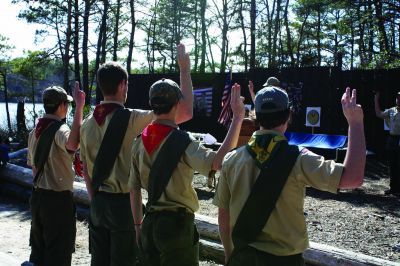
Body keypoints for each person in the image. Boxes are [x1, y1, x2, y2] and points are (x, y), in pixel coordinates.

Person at [213, 86, 365, 265]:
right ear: (288, 115)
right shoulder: (300, 159)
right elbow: (353, 178)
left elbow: (223, 215)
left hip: (242, 257)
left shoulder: (231, 159)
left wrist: (230, 254)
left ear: (256, 116)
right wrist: (355, 123)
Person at [80, 44, 193, 266]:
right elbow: (185, 111)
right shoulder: (132, 120)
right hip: (123, 206)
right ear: (123, 85)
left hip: (98, 203)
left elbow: (85, 171)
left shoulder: (86, 125)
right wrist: (184, 70)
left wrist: (96, 201)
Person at [129, 80, 244, 266]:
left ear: (152, 104)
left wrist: (137, 226)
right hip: (177, 227)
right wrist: (238, 118)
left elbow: (134, 190)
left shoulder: (138, 142)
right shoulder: (183, 142)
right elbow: (218, 162)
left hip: (149, 221)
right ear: (177, 104)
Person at [26, 83, 85, 266]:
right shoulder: (61, 129)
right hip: (58, 201)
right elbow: (73, 145)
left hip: (37, 197)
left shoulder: (33, 132)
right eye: (68, 104)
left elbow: (34, 168)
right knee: (59, 251)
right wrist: (80, 108)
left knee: (38, 248)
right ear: (62, 106)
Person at [374, 91, 400, 195]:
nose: (398, 99)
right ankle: (393, 188)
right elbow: (379, 114)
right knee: (392, 164)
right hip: (392, 139)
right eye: (397, 97)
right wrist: (376, 100)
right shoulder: (391, 111)